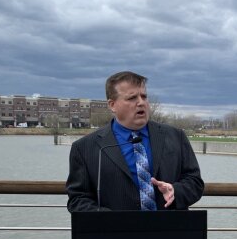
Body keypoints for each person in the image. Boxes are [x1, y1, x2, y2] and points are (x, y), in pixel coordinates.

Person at [66, 71, 203, 212]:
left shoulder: (175, 137)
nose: (141, 102)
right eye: (132, 98)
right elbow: (78, 199)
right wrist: (107, 219)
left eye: (144, 96)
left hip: (168, 230)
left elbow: (195, 182)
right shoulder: (85, 148)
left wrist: (176, 191)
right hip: (115, 232)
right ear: (112, 105)